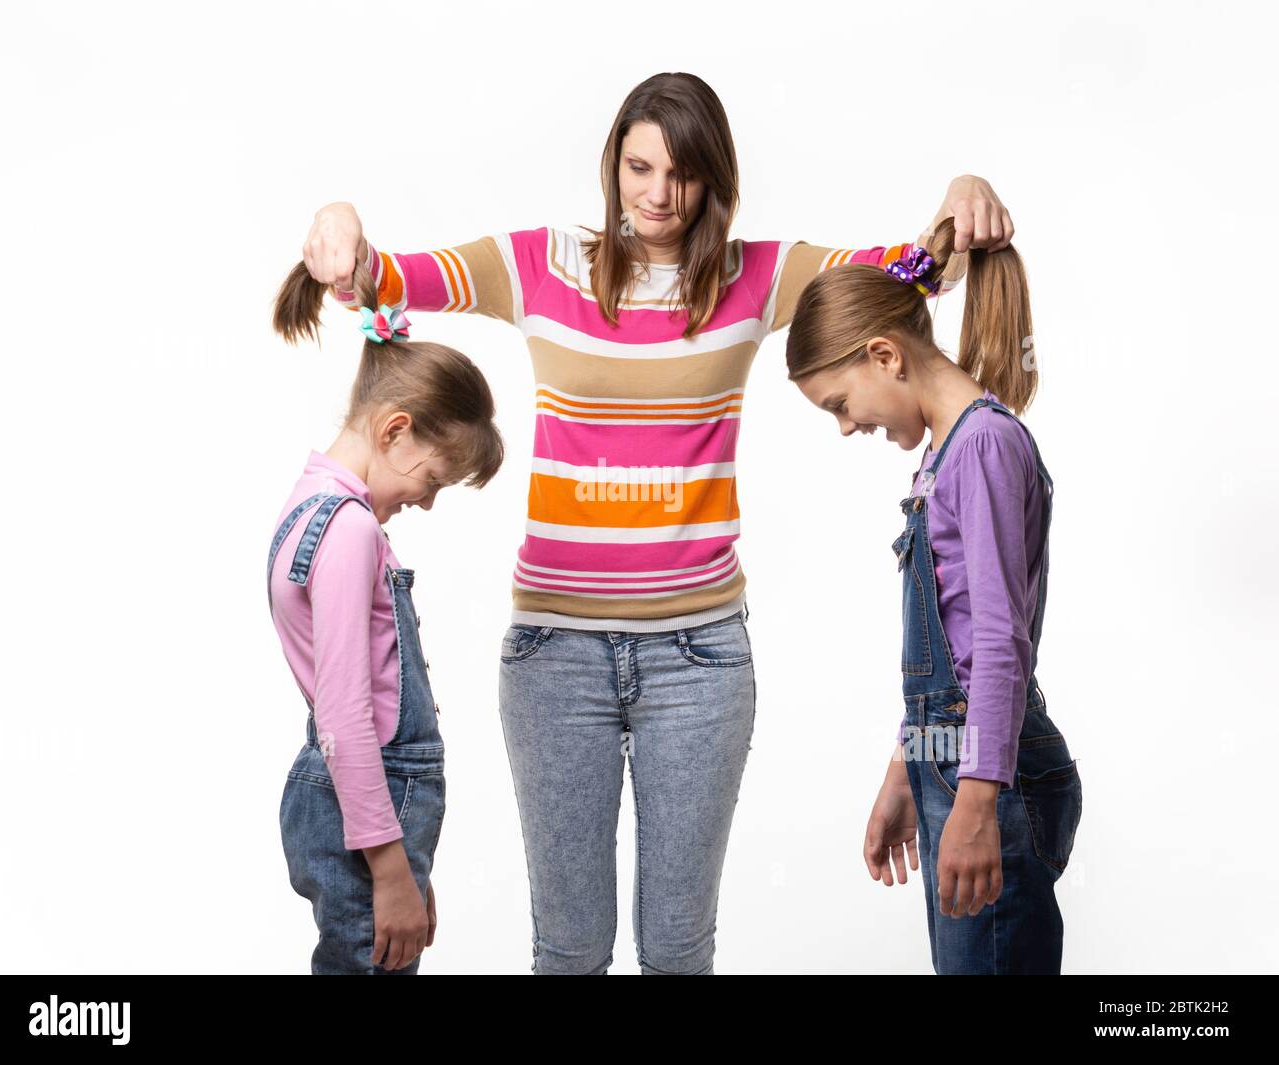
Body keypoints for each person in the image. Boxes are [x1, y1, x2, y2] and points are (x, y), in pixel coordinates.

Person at [298, 71, 1014, 974]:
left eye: (681, 174)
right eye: (639, 167)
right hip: (555, 658)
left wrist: (961, 197)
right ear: (614, 165)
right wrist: (337, 218)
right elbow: (382, 280)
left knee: (679, 949)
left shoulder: (757, 275)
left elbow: (911, 275)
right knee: (569, 951)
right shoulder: (540, 263)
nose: (657, 194)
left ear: (714, 179)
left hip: (700, 663)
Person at [785, 214, 1082, 974]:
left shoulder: (981, 445)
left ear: (885, 355)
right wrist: (904, 771)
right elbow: (945, 660)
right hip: (956, 758)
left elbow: (997, 644)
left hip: (991, 771)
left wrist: (978, 800)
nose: (847, 426)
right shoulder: (944, 457)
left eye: (840, 403)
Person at [266, 255, 504, 973]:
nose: (426, 501)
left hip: (365, 816)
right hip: (365, 817)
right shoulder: (348, 530)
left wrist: (407, 863)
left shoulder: (310, 503)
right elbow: (344, 716)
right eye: (432, 479)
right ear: (396, 429)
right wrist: (392, 870)